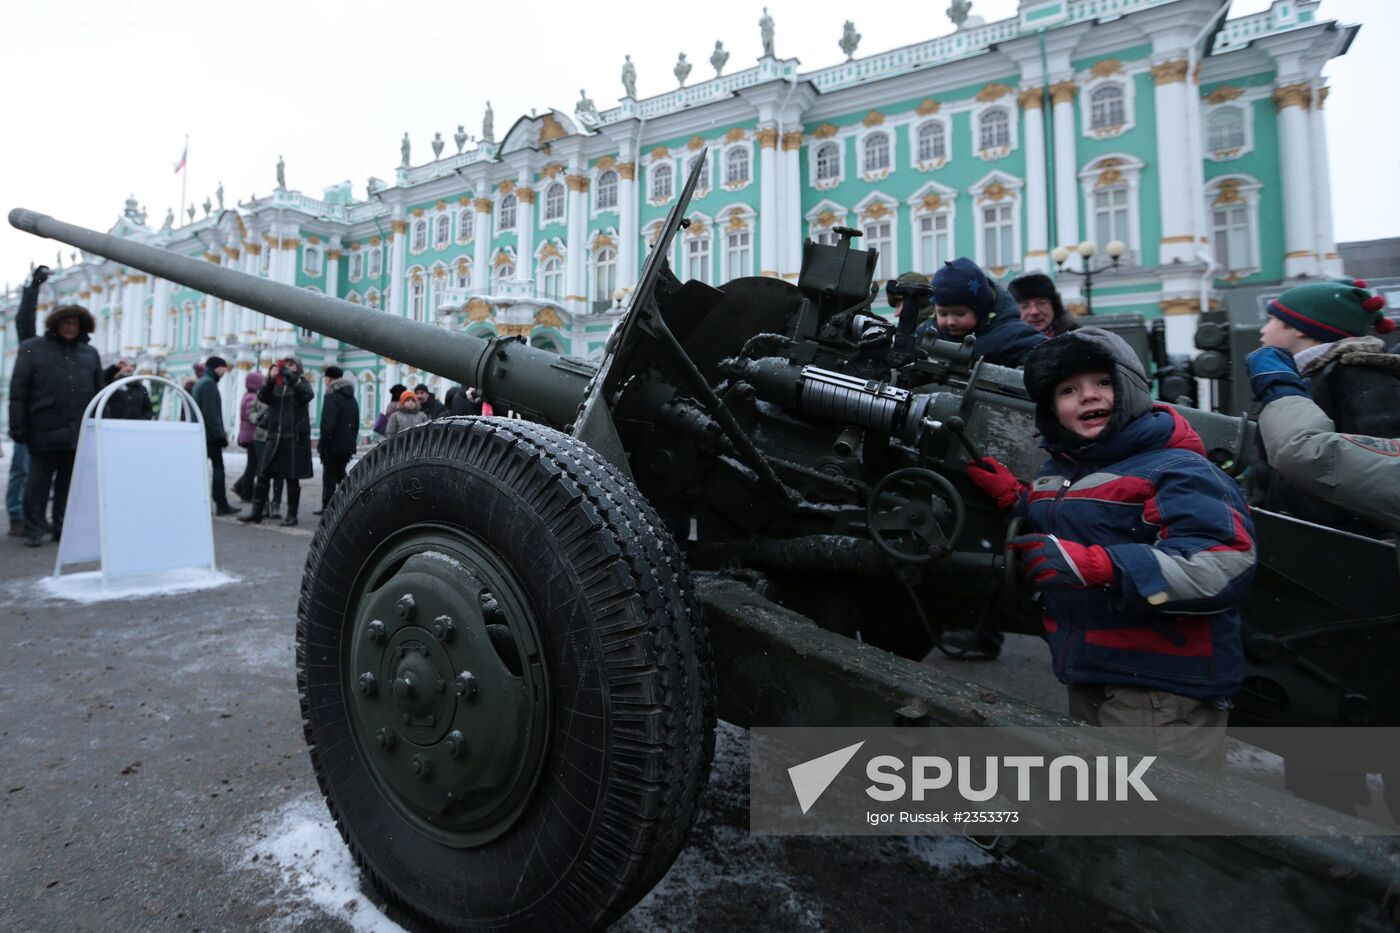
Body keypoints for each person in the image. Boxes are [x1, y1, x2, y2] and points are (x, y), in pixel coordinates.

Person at [967, 328, 1256, 766]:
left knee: (1153, 821)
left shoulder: (1178, 469)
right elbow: (1079, 518)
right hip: (1092, 669)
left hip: (1161, 690)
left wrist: (1102, 567)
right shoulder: (1062, 472)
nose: (1087, 396)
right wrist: (1015, 497)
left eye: (1102, 382)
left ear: (1131, 388)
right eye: (1068, 390)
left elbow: (1224, 561)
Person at [1251, 278, 1400, 537]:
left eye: (1272, 321)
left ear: (1299, 327)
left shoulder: (1360, 375)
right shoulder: (1299, 378)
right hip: (1300, 537)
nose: (1263, 331)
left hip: (1343, 547)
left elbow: (1373, 467)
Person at [8, 302, 104, 546]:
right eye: (66, 323)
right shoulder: (32, 349)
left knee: (68, 485)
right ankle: (34, 529)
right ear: (56, 324)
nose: (71, 328)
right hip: (43, 429)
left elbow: (99, 393)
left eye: (75, 324)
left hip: (76, 431)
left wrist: (100, 425)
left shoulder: (89, 354)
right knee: (37, 484)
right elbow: (19, 390)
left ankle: (63, 527)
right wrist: (18, 427)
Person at [918, 258, 1046, 367]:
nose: (951, 321)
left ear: (981, 309)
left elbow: (1045, 356)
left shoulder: (1012, 334)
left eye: (960, 314)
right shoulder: (926, 333)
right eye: (943, 314)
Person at [240, 357, 314, 526]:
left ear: (298, 368)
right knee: (263, 475)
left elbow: (308, 395)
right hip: (274, 438)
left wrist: (292, 378)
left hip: (294, 439)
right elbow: (263, 397)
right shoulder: (277, 385)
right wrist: (270, 379)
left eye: (291, 365)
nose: (287, 368)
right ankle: (256, 512)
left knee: (292, 477)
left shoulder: (301, 383)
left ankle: (292, 515)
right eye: (285, 365)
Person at [6, 265, 47, 536]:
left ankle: (34, 518)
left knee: (37, 475)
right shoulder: (33, 347)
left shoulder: (63, 353)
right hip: (29, 421)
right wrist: (33, 289)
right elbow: (24, 321)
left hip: (46, 424)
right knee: (22, 469)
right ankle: (17, 516)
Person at [192, 356, 240, 517]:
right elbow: (211, 414)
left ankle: (202, 501)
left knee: (202, 469)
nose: (225, 371)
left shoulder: (202, 382)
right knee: (218, 468)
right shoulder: (209, 385)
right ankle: (221, 503)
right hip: (210, 437)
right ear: (216, 368)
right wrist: (220, 435)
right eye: (223, 368)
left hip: (202, 434)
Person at [315, 366, 359, 516]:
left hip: (332, 444)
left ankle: (327, 505)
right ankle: (353, 496)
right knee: (340, 473)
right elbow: (355, 422)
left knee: (329, 474)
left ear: (330, 378)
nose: (325, 381)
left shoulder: (331, 396)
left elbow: (328, 423)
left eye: (326, 378)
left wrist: (324, 445)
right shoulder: (351, 397)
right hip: (346, 444)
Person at [1009, 272, 1078, 338]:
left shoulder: (1078, 339)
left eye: (1041, 303)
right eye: (1025, 306)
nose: (1034, 312)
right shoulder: (1004, 345)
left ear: (1054, 306)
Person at [232, 371, 263, 503]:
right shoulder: (251, 397)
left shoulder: (247, 395)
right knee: (253, 465)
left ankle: (240, 487)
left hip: (248, 434)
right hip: (251, 435)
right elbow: (250, 417)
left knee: (252, 465)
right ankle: (245, 491)